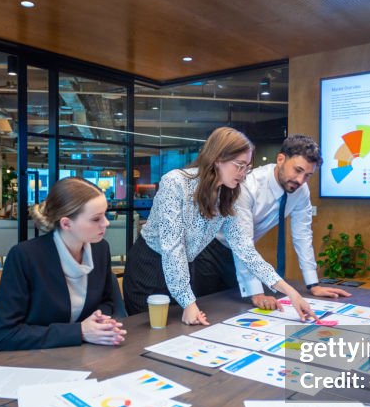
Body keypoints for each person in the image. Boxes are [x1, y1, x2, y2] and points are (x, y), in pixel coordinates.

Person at [122, 126, 316, 325]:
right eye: (239, 165)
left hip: (186, 271)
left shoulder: (229, 194)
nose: (243, 174)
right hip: (149, 269)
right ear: (217, 159)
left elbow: (244, 249)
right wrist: (188, 303)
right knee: (147, 337)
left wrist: (290, 292)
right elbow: (173, 249)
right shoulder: (175, 183)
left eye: (247, 167)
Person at [192, 134, 352, 309]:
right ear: (281, 159)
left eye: (308, 175)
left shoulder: (300, 191)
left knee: (233, 310)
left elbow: (302, 235)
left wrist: (313, 284)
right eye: (297, 170)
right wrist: (256, 293)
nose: (300, 180)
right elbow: (242, 242)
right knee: (206, 308)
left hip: (243, 255)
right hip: (209, 251)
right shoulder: (247, 186)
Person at [0, 177, 125, 350]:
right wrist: (80, 331)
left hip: (86, 354)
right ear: (66, 223)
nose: (106, 223)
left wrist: (99, 320)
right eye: (96, 219)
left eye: (105, 215)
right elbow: (4, 335)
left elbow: (107, 301)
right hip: (38, 362)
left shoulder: (100, 249)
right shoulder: (25, 256)